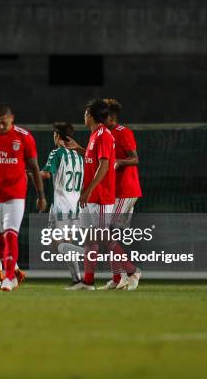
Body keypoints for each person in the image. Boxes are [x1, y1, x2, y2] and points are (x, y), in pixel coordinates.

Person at [0, 104, 46, 292]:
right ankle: (12, 275)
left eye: (3, 123)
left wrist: (41, 196)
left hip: (15, 195)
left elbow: (34, 168)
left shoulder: (24, 137)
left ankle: (7, 277)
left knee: (10, 234)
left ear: (11, 118)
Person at [71, 99, 117, 290]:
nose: (84, 116)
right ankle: (88, 281)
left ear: (90, 115)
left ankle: (130, 272)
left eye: (85, 113)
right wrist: (77, 148)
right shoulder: (94, 136)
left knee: (104, 239)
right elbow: (93, 160)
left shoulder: (104, 135)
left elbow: (104, 166)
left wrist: (88, 190)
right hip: (91, 197)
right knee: (90, 238)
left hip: (100, 197)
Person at [101, 99, 142, 290]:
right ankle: (119, 278)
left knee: (106, 233)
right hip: (113, 191)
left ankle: (132, 272)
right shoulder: (104, 134)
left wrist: (119, 161)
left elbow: (135, 158)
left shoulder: (123, 132)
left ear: (112, 117)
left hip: (126, 190)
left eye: (104, 116)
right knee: (109, 235)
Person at [40, 122, 84, 289]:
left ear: (57, 136)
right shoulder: (79, 157)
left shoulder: (57, 152)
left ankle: (88, 254)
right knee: (67, 243)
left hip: (61, 207)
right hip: (75, 207)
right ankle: (77, 280)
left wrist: (25, 172)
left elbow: (45, 174)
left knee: (57, 244)